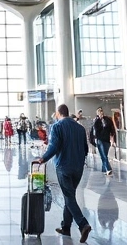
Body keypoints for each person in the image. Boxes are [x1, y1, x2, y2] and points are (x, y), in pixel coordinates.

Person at [33, 104, 93, 243]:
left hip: (64, 167)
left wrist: (43, 158)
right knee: (69, 196)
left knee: (68, 197)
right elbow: (85, 149)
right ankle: (65, 227)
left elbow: (54, 146)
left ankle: (83, 224)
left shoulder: (57, 127)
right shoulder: (80, 128)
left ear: (58, 114)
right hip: (78, 168)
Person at [90, 107, 115, 177]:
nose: (100, 113)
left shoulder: (107, 120)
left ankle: (104, 169)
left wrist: (112, 138)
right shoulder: (96, 120)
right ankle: (108, 169)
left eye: (101, 112)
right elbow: (95, 130)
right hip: (100, 140)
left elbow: (111, 128)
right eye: (99, 112)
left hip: (106, 140)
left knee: (104, 155)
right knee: (104, 155)